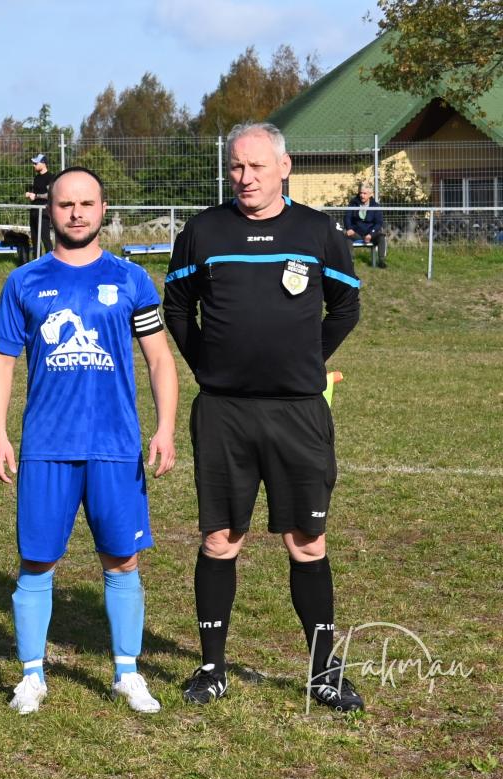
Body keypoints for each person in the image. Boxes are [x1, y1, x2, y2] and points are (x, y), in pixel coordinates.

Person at [162, 122, 364, 713]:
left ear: (284, 167)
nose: (244, 178)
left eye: (255, 166)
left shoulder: (317, 232)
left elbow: (346, 306)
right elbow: (178, 308)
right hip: (223, 412)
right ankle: (211, 667)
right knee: (220, 539)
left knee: (308, 541)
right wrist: (209, 366)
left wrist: (306, 362)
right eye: (236, 167)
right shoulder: (203, 232)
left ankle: (324, 672)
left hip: (297, 412)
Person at [0, 167, 178, 716]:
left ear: (103, 209)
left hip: (116, 446)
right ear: (50, 210)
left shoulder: (132, 279)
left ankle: (128, 673)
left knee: (122, 560)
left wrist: (165, 427)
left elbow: (159, 359)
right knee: (37, 562)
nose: (76, 213)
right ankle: (31, 677)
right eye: (66, 204)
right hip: (47, 446)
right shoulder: (24, 281)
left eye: (86, 203)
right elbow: (2, 363)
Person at [343, 182, 387, 268]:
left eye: (364, 193)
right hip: (356, 233)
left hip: (370, 233)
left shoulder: (375, 206)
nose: (362, 195)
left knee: (382, 237)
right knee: (346, 237)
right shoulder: (353, 204)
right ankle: (350, 262)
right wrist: (349, 228)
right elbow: (347, 218)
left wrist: (371, 234)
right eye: (360, 193)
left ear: (370, 194)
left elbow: (378, 223)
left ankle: (381, 261)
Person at [25, 153, 54, 256]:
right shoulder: (36, 178)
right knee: (34, 238)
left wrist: (36, 196)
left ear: (43, 163)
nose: (34, 165)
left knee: (45, 237)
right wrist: (30, 194)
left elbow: (50, 194)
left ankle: (50, 260)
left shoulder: (51, 177)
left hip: (44, 211)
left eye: (36, 163)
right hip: (34, 210)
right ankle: (37, 260)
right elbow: (35, 193)